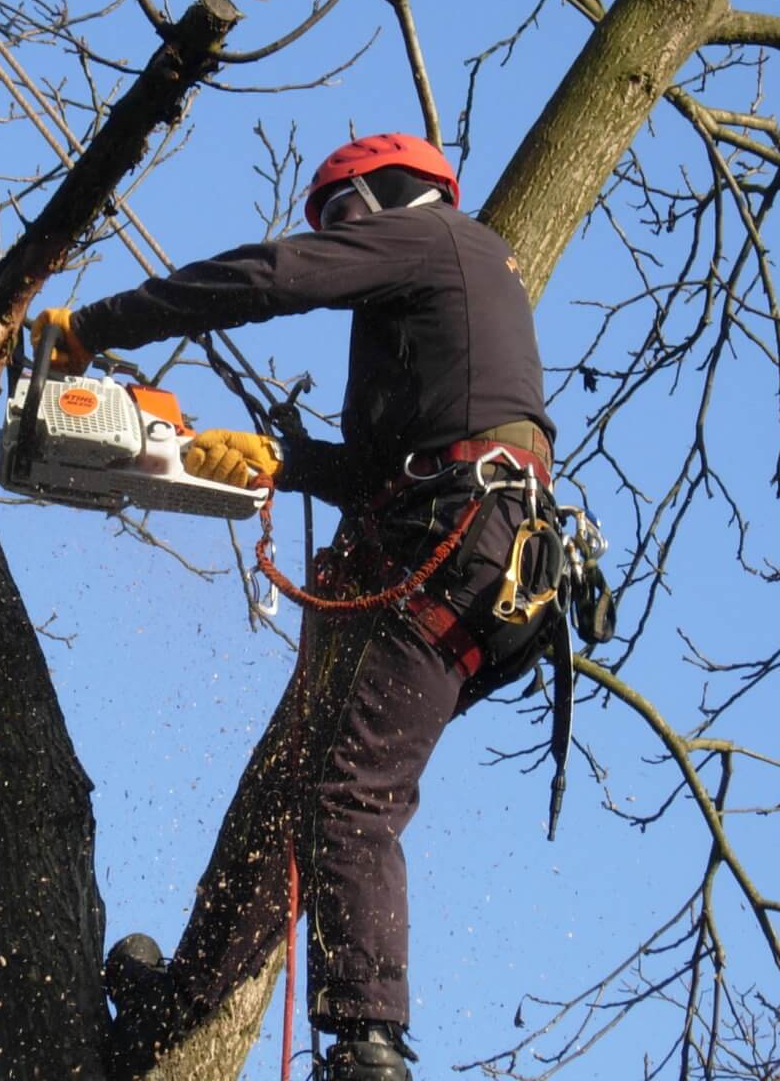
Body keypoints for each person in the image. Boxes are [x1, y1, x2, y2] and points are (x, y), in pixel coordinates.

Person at [33, 132, 556, 1081]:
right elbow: (372, 470)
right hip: (458, 559)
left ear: (385, 193)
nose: (336, 238)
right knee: (282, 797)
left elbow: (274, 277)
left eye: (341, 217)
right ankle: (172, 1011)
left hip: (456, 550)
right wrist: (283, 461)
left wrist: (96, 327)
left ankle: (368, 1044)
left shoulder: (439, 238)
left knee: (348, 794)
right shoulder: (436, 331)